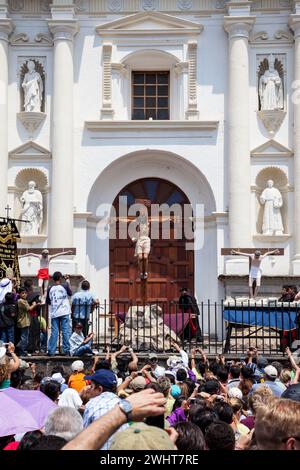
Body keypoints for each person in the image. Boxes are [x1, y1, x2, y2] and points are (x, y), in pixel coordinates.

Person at [82, 369, 128, 450]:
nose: (89, 389)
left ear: (100, 389)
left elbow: (84, 439)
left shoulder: (92, 404)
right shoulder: (124, 404)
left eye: (91, 386)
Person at [46, 271, 72, 356]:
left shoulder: (50, 288)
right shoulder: (64, 286)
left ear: (53, 279)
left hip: (54, 313)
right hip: (64, 311)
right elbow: (70, 293)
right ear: (60, 278)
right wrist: (67, 280)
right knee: (65, 331)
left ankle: (51, 351)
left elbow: (48, 301)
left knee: (54, 332)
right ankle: (66, 350)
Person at [17, 288, 40, 356]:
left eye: (25, 293)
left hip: (26, 321)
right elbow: (29, 309)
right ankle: (22, 352)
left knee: (25, 337)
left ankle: (21, 348)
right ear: (19, 294)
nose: (24, 294)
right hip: (23, 321)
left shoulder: (24, 300)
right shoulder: (21, 301)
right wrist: (34, 304)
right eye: (22, 293)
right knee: (24, 337)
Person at [131, 203, 151, 280]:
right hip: (139, 240)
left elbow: (158, 218)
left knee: (145, 257)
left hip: (146, 239)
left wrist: (169, 218)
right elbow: (128, 220)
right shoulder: (138, 220)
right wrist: (117, 219)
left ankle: (145, 271)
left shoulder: (147, 220)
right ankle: (141, 272)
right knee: (140, 257)